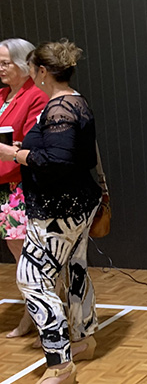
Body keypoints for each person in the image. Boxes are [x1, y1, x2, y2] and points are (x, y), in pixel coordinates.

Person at [0, 39, 101, 384]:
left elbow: (57, 161)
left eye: (31, 68)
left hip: (58, 209)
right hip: (77, 205)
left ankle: (60, 365)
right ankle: (84, 339)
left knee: (32, 279)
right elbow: (72, 154)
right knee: (75, 268)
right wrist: (23, 148)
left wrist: (13, 155)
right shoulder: (75, 102)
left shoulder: (58, 109)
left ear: (42, 71)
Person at [0, 38, 49, 339]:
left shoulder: (35, 96)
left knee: (28, 257)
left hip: (20, 185)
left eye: (5, 62)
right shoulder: (4, 95)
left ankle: (38, 316)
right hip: (4, 185)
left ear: (22, 63)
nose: (1, 68)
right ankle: (32, 314)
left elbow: (32, 144)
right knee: (18, 253)